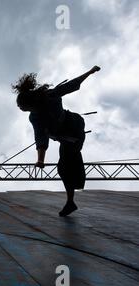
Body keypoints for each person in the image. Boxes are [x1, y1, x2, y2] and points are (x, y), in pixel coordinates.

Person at [13, 66, 101, 217]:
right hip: (66, 140)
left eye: (22, 106)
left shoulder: (50, 96)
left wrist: (89, 72)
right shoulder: (34, 117)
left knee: (66, 164)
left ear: (31, 103)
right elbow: (40, 138)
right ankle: (71, 201)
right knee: (63, 168)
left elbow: (72, 85)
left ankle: (71, 199)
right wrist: (40, 160)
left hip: (75, 129)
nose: (20, 108)